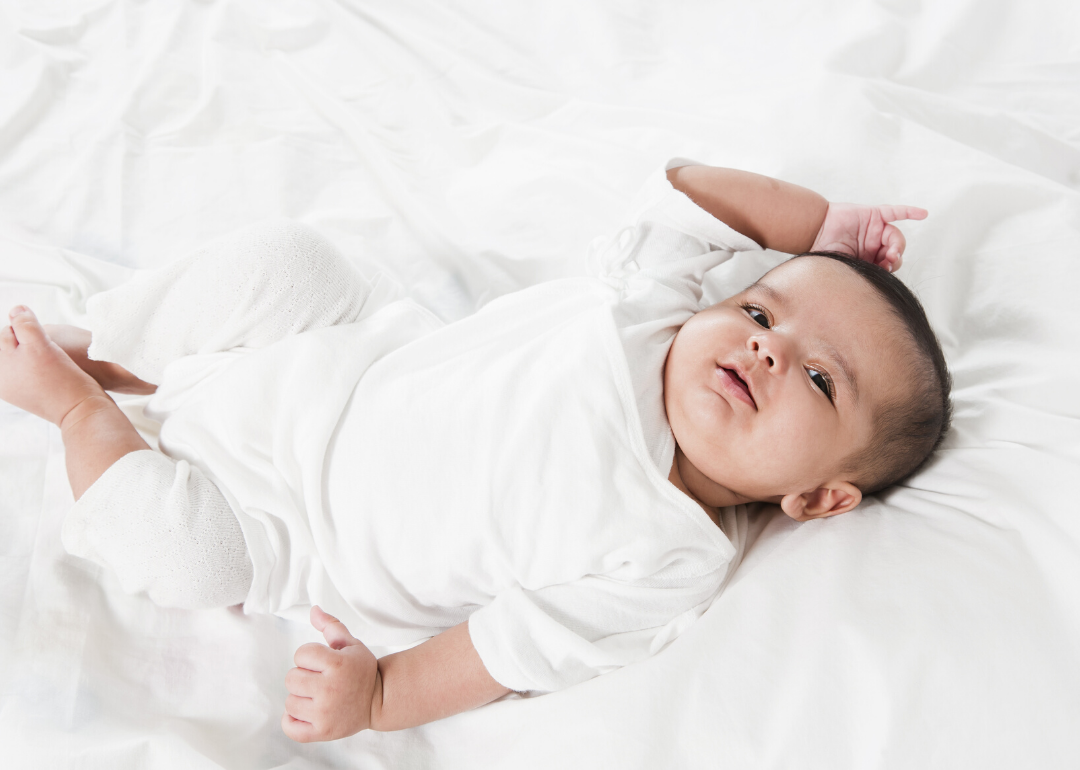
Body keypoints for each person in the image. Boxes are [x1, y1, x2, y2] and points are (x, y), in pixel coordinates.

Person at [0, 158, 950, 741]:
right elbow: (696, 194)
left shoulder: (668, 554)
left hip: (284, 525)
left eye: (822, 381)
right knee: (292, 261)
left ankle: (76, 407)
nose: (767, 348)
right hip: (335, 353)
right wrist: (822, 228)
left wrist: (380, 697)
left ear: (821, 499)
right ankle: (110, 349)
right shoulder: (653, 311)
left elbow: (503, 649)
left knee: (186, 558)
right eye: (758, 308)